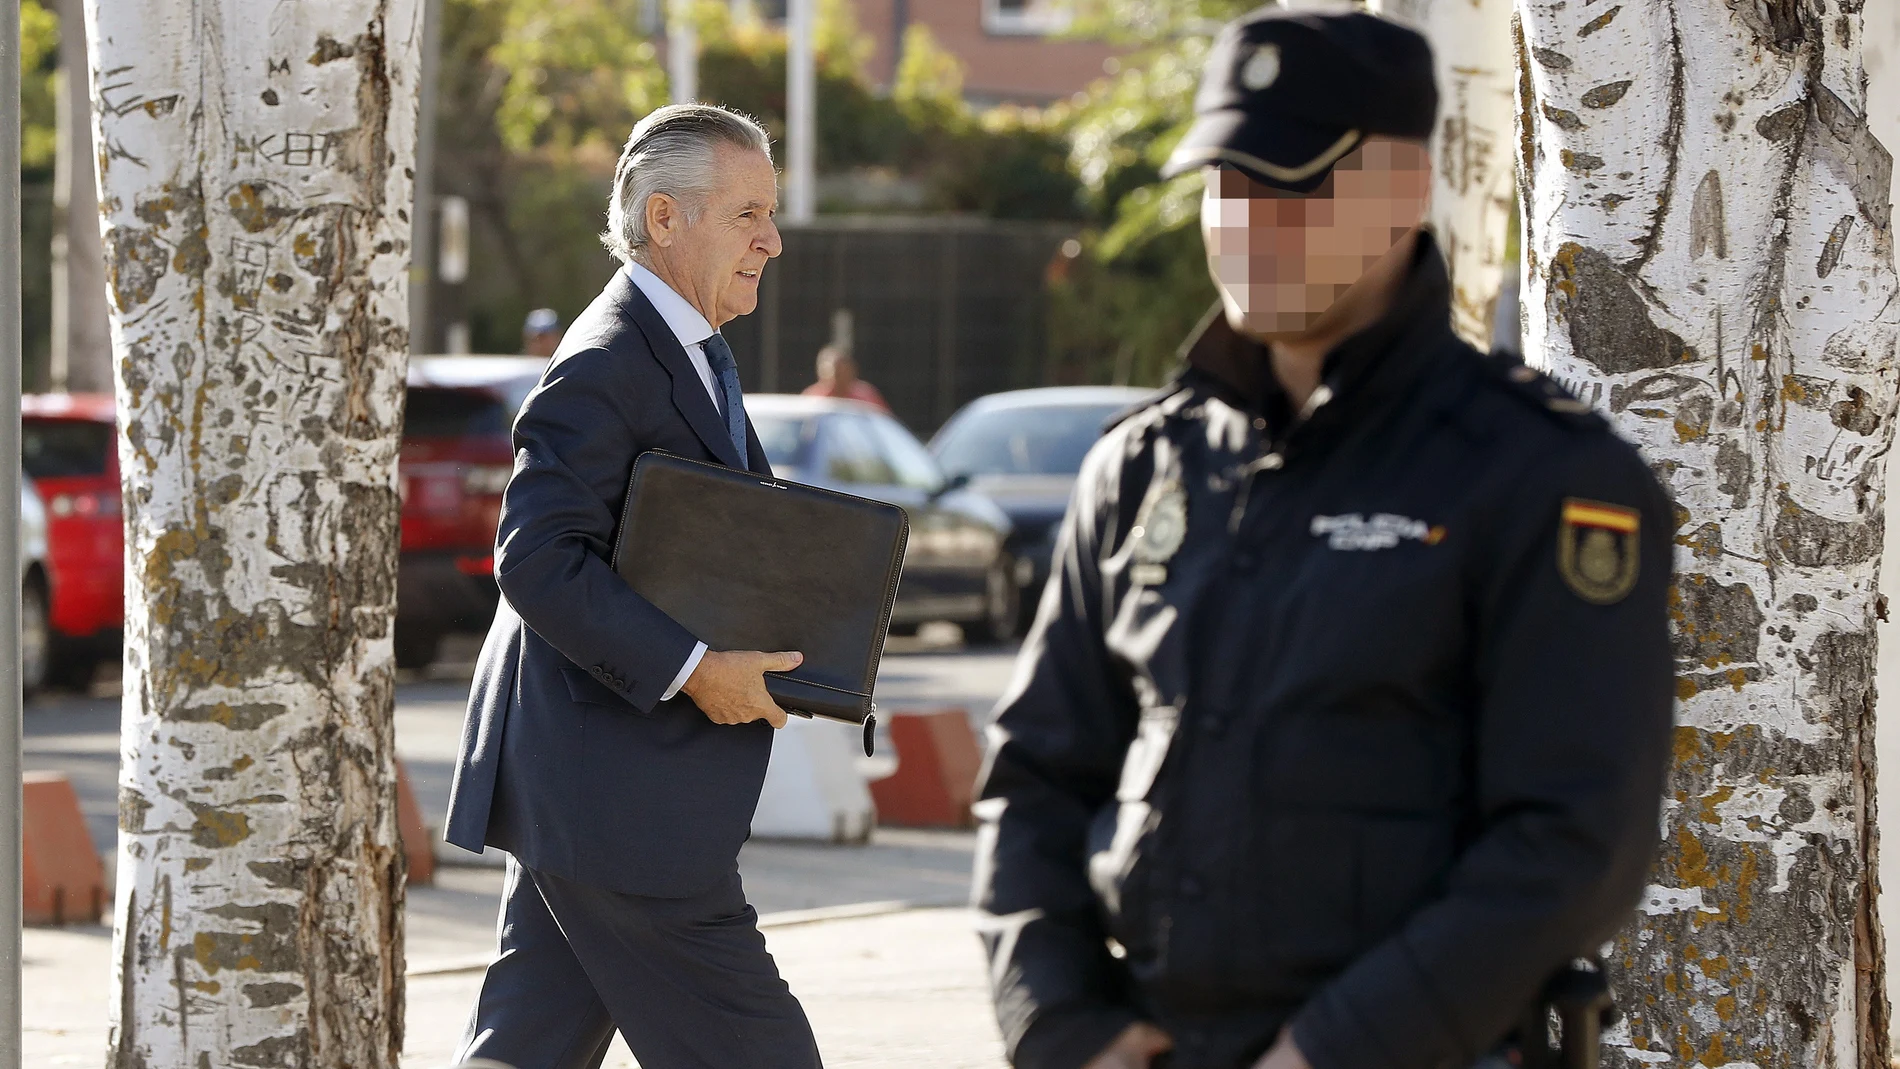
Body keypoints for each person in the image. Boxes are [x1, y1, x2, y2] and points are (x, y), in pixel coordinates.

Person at [971, 9, 1675, 1069]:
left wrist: (1332, 1050)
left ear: (1404, 188)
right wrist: (1064, 1023)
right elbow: (1035, 778)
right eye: (1227, 183)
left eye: (1294, 181)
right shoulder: (1140, 468)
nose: (1249, 220)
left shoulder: (1542, 475)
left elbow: (1574, 839)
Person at [444, 104, 823, 1069]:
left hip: (590, 788)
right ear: (666, 219)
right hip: (616, 802)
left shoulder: (688, 348)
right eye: (748, 216)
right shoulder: (609, 362)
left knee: (524, 1051)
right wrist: (696, 668)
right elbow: (536, 558)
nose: (772, 241)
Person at [801, 344, 891, 411]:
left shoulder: (866, 397)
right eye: (836, 373)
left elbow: (884, 424)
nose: (839, 378)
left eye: (843, 372)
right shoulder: (813, 399)